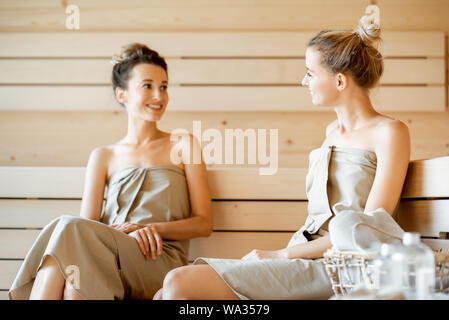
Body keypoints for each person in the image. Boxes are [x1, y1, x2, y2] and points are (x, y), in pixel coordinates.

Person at [156, 14, 411, 300]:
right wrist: (285, 255)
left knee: (178, 282)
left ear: (340, 81)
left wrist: (281, 254)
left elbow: (367, 232)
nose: (304, 82)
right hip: (303, 258)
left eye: (310, 73)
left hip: (341, 266)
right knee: (166, 291)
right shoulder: (330, 133)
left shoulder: (390, 132)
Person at [8, 43, 213, 300]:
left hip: (158, 258)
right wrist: (120, 232)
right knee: (75, 287)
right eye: (147, 86)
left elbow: (204, 223)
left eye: (164, 87)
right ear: (122, 94)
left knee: (67, 228)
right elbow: (87, 226)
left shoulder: (184, 145)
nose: (159, 96)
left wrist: (150, 228)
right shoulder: (103, 156)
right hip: (108, 256)